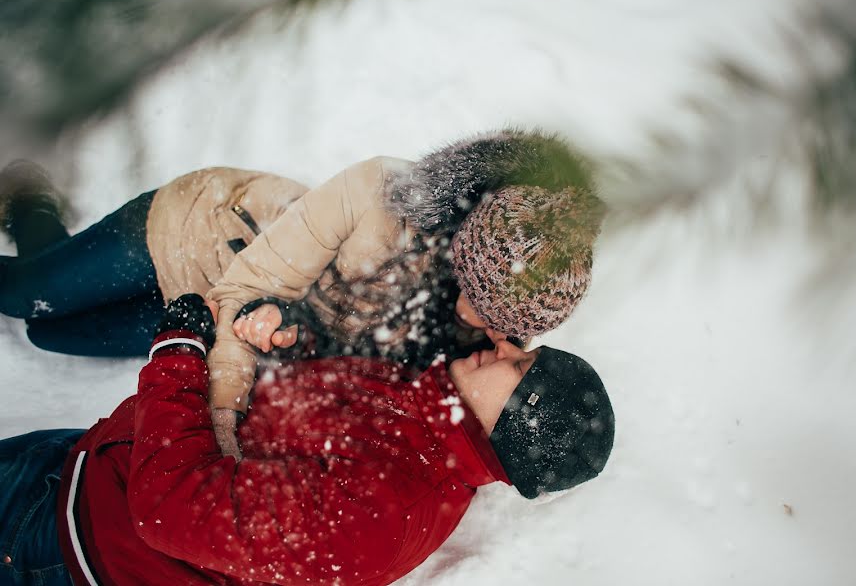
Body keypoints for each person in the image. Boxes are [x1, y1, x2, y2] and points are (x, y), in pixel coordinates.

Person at [0, 129, 604, 457]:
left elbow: (342, 375)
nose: (482, 324)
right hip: (203, 236)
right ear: (463, 249)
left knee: (50, 333)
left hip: (202, 318)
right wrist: (219, 432)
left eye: (504, 324)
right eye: (477, 296)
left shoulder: (486, 340)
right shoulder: (383, 192)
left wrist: (287, 334)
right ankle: (31, 197)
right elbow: (246, 286)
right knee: (24, 296)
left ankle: (37, 219)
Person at [0, 294, 614, 586]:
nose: (504, 345)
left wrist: (177, 354)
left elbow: (170, 509)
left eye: (520, 365)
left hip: (67, 540)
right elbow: (313, 423)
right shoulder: (432, 418)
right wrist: (294, 337)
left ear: (521, 421)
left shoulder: (382, 509)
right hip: (90, 457)